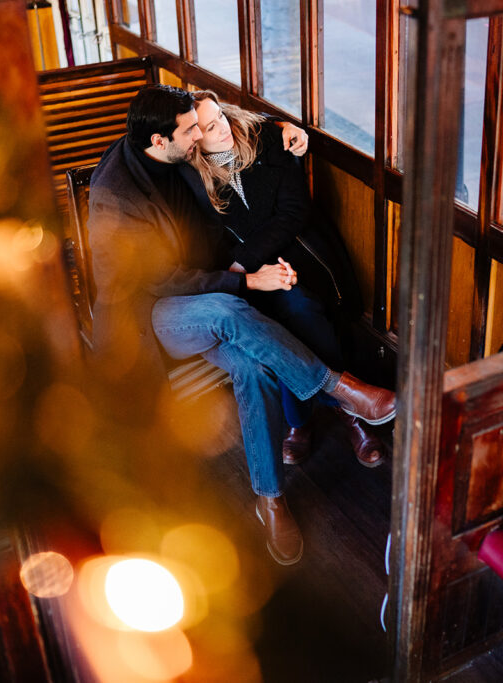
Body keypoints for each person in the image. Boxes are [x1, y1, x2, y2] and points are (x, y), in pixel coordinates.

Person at [85, 84, 395, 566]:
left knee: (255, 370)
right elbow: (162, 281)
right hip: (149, 314)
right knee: (230, 314)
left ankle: (270, 499)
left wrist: (283, 130)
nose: (198, 139)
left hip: (200, 292)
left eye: (196, 128)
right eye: (190, 132)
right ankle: (339, 389)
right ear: (159, 143)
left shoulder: (170, 151)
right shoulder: (116, 199)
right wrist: (249, 281)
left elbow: (225, 124)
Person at [185, 90, 386, 468]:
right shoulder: (193, 178)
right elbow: (208, 241)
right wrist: (246, 272)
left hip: (302, 255)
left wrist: (245, 263)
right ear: (193, 140)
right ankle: (341, 409)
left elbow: (293, 212)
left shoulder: (266, 138)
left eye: (221, 117)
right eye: (210, 128)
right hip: (248, 277)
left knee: (301, 308)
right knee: (275, 319)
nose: (223, 130)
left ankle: (314, 419)